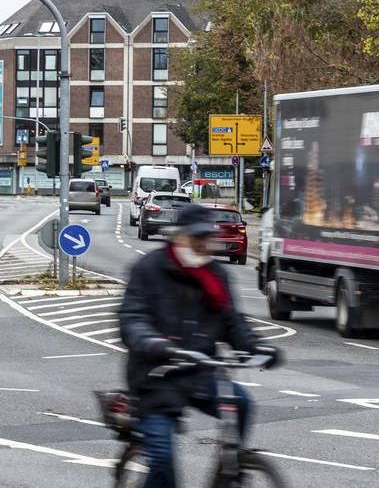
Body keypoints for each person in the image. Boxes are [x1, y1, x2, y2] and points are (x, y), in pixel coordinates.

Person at [119, 204, 282, 488]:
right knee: (162, 458)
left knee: (242, 404)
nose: (204, 242)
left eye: (207, 236)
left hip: (199, 372)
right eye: (198, 236)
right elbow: (132, 319)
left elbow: (232, 321)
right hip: (156, 376)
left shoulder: (215, 274)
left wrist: (259, 347)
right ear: (180, 236)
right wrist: (153, 343)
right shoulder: (150, 268)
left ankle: (227, 473)